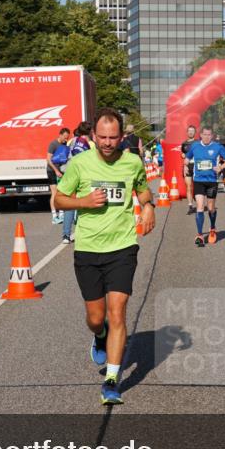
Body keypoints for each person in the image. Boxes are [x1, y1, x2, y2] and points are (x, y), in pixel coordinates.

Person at [54, 108, 155, 405]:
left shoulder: (132, 161)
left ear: (122, 136)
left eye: (114, 137)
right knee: (96, 318)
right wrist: (83, 201)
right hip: (87, 249)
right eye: (103, 137)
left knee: (118, 311)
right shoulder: (79, 164)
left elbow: (143, 190)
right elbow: (58, 198)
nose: (109, 143)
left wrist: (148, 207)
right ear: (93, 136)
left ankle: (112, 380)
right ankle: (99, 336)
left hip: (123, 247)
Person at [186, 126, 225, 246]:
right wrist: (186, 165)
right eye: (205, 134)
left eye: (209, 135)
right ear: (200, 135)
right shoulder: (195, 146)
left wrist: (221, 167)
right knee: (200, 206)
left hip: (212, 181)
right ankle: (200, 235)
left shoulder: (217, 147)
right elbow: (187, 158)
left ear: (212, 136)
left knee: (211, 207)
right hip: (198, 181)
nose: (207, 137)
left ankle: (212, 228)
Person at [62, 122, 93, 244]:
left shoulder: (71, 141)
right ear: (90, 131)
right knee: (85, 204)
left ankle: (66, 235)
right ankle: (84, 233)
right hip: (84, 176)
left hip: (69, 175)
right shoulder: (90, 143)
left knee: (70, 205)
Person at [47, 127, 72, 224]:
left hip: (61, 171)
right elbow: (48, 159)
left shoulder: (65, 144)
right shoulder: (53, 144)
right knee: (54, 193)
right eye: (65, 137)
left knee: (61, 192)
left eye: (67, 137)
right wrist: (56, 170)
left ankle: (61, 214)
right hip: (52, 171)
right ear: (60, 135)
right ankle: (54, 216)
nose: (66, 139)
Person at [181, 125, 198, 214]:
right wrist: (182, 156)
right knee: (188, 186)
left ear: (195, 132)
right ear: (187, 132)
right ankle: (190, 206)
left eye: (192, 131)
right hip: (187, 166)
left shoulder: (198, 142)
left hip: (197, 166)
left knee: (197, 185)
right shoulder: (184, 143)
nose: (191, 132)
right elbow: (182, 154)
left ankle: (199, 202)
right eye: (189, 131)